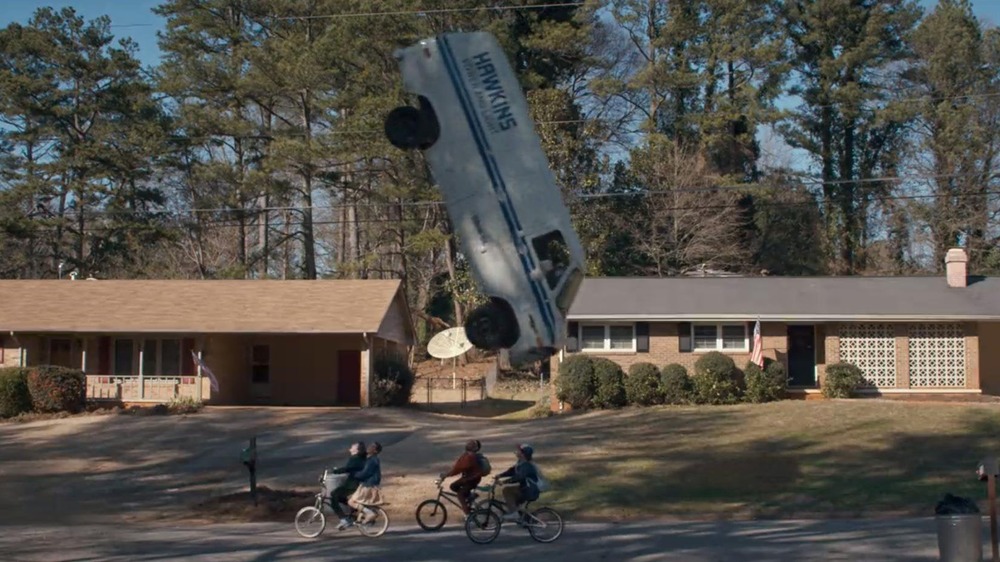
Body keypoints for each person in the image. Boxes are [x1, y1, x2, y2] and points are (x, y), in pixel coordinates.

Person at [494, 443, 540, 521]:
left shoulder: (526, 465)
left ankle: (514, 513)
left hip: (529, 490)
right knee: (514, 499)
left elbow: (519, 477)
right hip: (526, 488)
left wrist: (505, 482)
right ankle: (523, 517)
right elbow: (512, 471)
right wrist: (500, 475)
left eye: (519, 451)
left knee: (507, 490)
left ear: (523, 454)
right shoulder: (521, 462)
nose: (517, 451)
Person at [438, 439, 485, 514]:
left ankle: (468, 514)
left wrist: (446, 475)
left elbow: (459, 468)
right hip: (467, 478)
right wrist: (447, 474)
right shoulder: (466, 455)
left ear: (475, 448)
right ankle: (469, 496)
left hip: (472, 479)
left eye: (471, 444)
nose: (468, 444)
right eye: (468, 443)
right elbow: (457, 467)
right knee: (453, 486)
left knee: (460, 495)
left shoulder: (471, 456)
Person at [330, 441, 367, 530]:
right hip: (354, 483)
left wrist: (335, 471)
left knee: (333, 495)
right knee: (340, 497)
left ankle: (343, 519)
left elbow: (348, 468)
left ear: (357, 450)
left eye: (352, 447)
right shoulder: (359, 458)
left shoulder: (355, 458)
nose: (350, 448)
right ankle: (352, 512)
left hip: (352, 484)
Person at [347, 442, 383, 525]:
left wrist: (354, 475)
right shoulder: (371, 459)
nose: (369, 447)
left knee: (351, 502)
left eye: (372, 446)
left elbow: (365, 473)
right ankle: (363, 516)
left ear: (375, 451)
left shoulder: (372, 460)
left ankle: (370, 514)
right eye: (370, 445)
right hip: (367, 484)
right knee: (354, 499)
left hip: (368, 485)